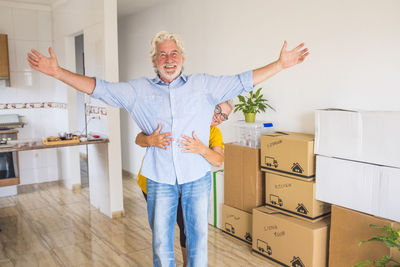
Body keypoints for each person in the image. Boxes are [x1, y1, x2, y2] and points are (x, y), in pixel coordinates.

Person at [27, 30, 309, 267]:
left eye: (174, 54)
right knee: (162, 243)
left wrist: (280, 64)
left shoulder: (203, 85)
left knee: (197, 240)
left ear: (182, 58)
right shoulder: (138, 91)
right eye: (162, 54)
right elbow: (99, 88)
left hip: (196, 178)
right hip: (159, 179)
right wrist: (57, 72)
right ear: (154, 60)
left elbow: (242, 80)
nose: (169, 59)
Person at [136, 101, 232, 267]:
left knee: (187, 229)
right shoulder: (180, 118)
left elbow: (218, 160)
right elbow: (139, 139)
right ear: (208, 104)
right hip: (156, 183)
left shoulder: (214, 133)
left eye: (224, 116)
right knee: (161, 232)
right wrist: (150, 140)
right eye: (218, 109)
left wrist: (201, 148)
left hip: (186, 188)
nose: (219, 116)